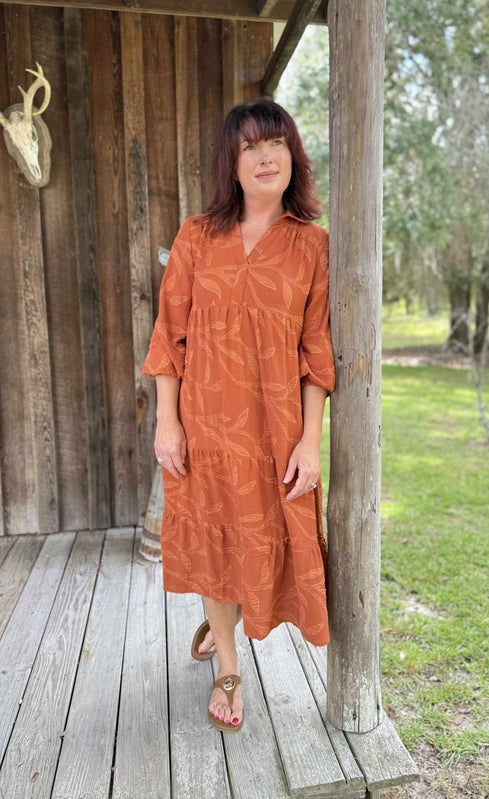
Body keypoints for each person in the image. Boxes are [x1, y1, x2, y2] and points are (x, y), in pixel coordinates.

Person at [141, 99, 335, 733]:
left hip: (274, 430)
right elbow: (169, 335)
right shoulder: (198, 235)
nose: (265, 155)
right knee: (213, 535)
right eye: (250, 146)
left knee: (258, 538)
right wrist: (166, 422)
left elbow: (315, 350)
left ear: (292, 156)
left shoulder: (312, 244)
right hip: (203, 424)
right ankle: (228, 664)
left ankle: (217, 618)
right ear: (233, 160)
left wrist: (311, 439)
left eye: (276, 143)